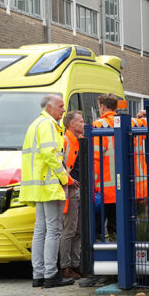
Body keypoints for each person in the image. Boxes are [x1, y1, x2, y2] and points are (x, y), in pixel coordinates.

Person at [20, 94, 75, 289]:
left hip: (38, 185)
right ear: (50, 107)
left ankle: (39, 274)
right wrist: (64, 177)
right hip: (50, 185)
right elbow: (50, 155)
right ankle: (51, 274)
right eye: (60, 107)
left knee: (41, 229)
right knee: (53, 229)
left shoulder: (35, 124)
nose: (63, 110)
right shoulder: (48, 125)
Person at [60, 110, 85, 279]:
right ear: (72, 124)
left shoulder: (77, 140)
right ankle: (65, 267)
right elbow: (58, 163)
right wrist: (69, 179)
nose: (84, 124)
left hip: (77, 188)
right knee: (70, 230)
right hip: (70, 190)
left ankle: (75, 265)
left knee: (77, 230)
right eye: (81, 121)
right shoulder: (66, 140)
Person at [92, 93, 119, 242]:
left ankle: (100, 259)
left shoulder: (98, 125)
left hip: (102, 188)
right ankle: (118, 256)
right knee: (116, 228)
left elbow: (95, 158)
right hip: (121, 188)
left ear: (102, 107)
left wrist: (92, 185)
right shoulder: (127, 122)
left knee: (97, 229)